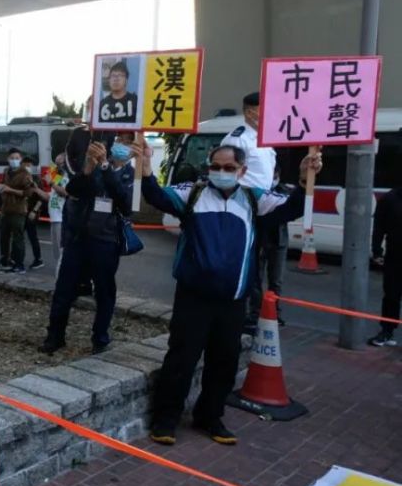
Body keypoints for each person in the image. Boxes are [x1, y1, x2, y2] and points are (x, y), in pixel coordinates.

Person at [138, 140, 321, 446]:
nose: (221, 172)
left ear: (242, 171)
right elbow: (156, 195)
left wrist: (304, 180)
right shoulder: (192, 194)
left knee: (224, 362)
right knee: (181, 360)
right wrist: (144, 170)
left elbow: (290, 209)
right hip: (193, 297)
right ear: (207, 168)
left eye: (229, 168)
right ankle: (165, 419)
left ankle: (210, 417)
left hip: (233, 299)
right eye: (215, 167)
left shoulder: (253, 199)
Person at [40, 137, 134, 356]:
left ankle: (100, 338)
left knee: (104, 292)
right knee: (64, 289)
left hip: (106, 239)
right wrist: (89, 169)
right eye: (118, 140)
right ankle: (55, 336)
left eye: (126, 142)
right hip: (78, 238)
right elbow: (73, 190)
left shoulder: (129, 173)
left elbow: (124, 201)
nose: (120, 145)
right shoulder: (91, 165)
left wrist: (104, 167)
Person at [221, 92, 284, 332]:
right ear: (250, 112)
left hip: (264, 207)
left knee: (265, 261)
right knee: (249, 262)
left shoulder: (265, 138)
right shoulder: (239, 139)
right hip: (244, 208)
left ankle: (262, 311)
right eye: (263, 108)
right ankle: (246, 313)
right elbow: (226, 175)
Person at [0, 148, 34, 274]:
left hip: (18, 210)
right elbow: (3, 183)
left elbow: (28, 193)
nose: (14, 160)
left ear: (20, 159)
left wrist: (9, 190)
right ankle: (4, 261)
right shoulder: (6, 171)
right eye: (12, 158)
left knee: (18, 239)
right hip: (5, 209)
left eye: (17, 158)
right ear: (8, 159)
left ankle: (19, 264)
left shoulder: (25, 174)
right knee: (4, 237)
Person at [369, 182, 402, 346]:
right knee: (391, 295)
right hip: (394, 256)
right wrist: (376, 251)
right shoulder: (390, 199)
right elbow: (379, 226)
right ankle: (387, 330)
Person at [44, 153, 71, 275]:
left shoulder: (69, 177)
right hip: (54, 218)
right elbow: (51, 196)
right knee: (56, 252)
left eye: (61, 163)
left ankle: (62, 276)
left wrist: (51, 183)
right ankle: (60, 272)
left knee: (62, 251)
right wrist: (35, 189)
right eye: (56, 163)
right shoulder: (58, 177)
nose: (58, 166)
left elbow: (65, 193)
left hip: (61, 219)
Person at [21, 156, 46, 270]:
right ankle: (16, 258)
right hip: (21, 211)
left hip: (32, 212)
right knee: (18, 236)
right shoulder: (20, 178)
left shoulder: (36, 179)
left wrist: (34, 211)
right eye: (25, 165)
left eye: (29, 165)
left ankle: (38, 259)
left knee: (32, 236)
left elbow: (41, 199)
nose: (27, 167)